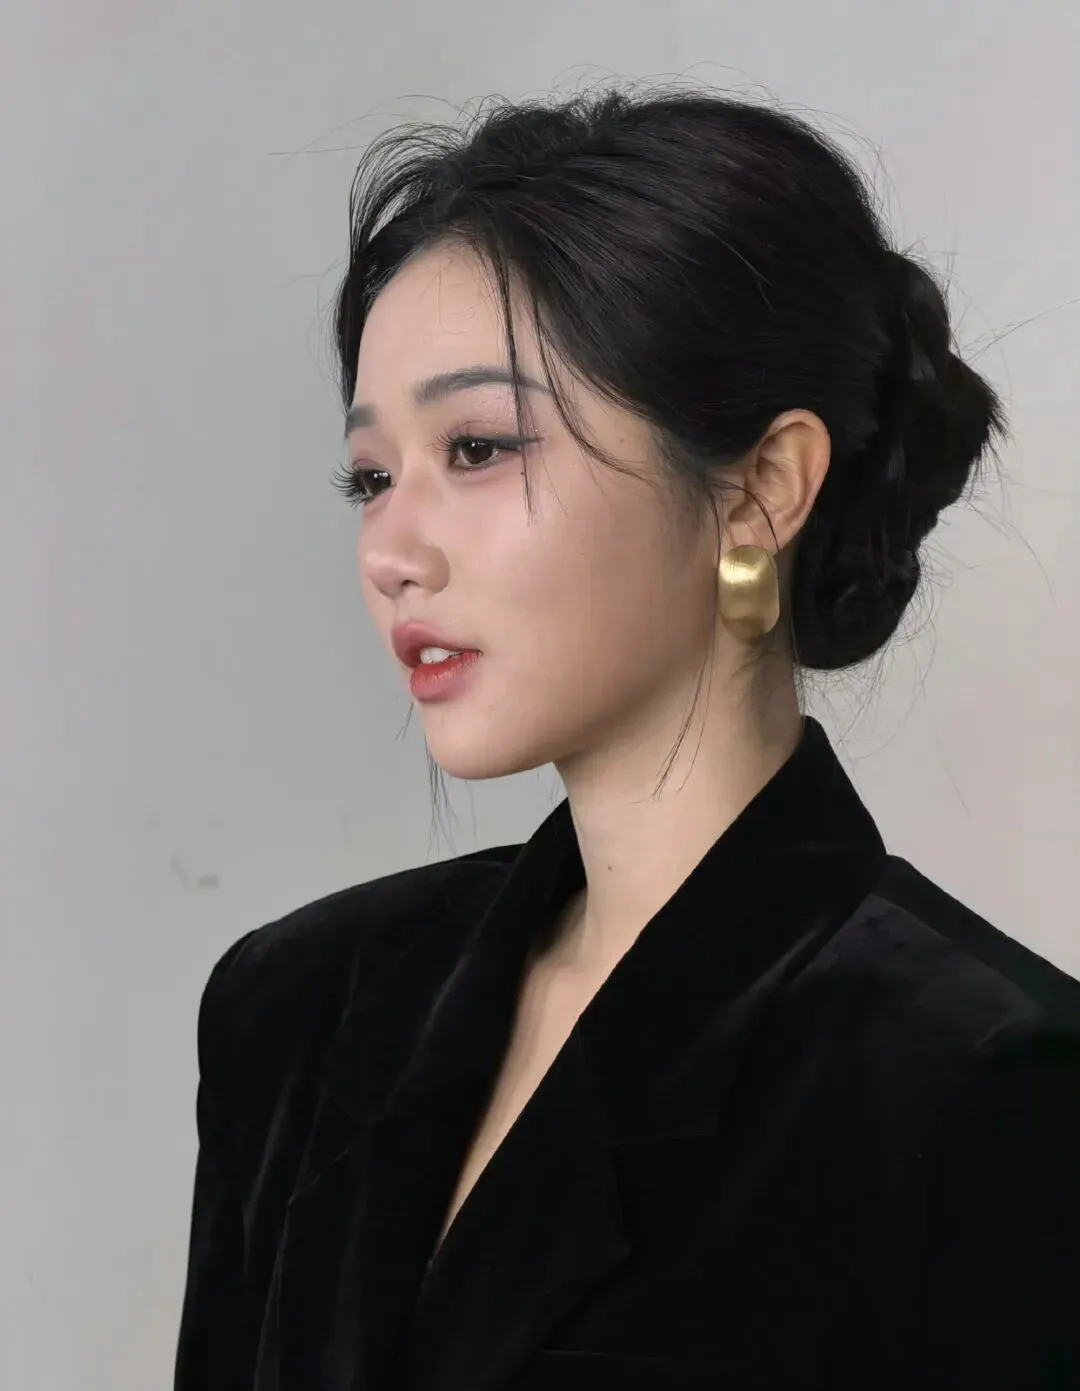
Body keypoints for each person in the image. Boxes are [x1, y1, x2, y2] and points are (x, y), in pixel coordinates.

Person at [174, 84, 1080, 1390]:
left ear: (762, 488)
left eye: (477, 447)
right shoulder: (294, 1008)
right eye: (373, 475)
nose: (390, 551)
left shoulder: (983, 1083)